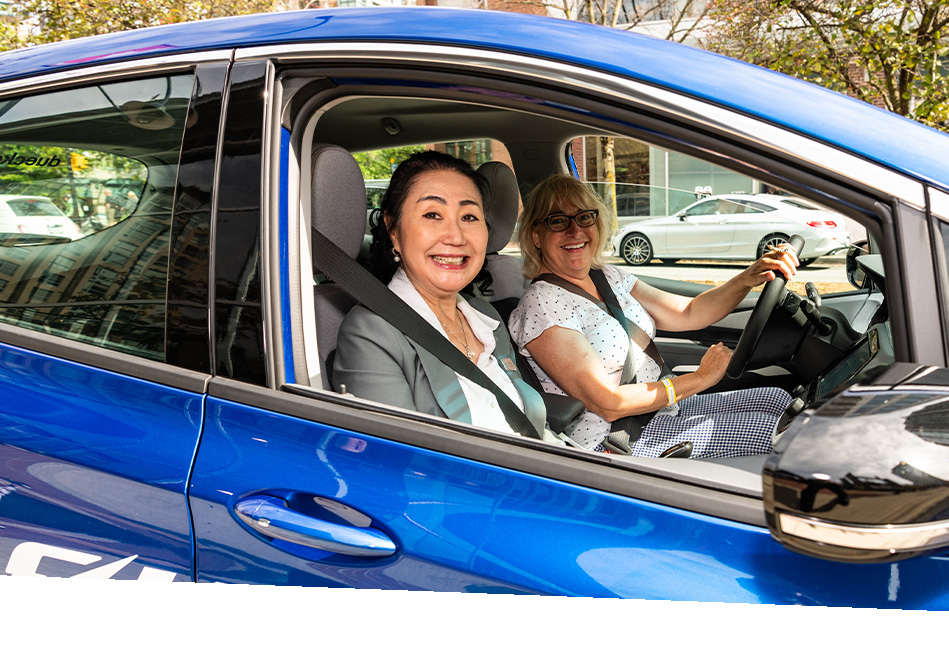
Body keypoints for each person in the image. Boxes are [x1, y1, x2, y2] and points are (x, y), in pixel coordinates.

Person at [508, 174, 798, 459]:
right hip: (616, 439)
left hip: (659, 410)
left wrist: (748, 278)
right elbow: (607, 403)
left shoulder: (607, 276)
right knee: (779, 435)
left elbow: (690, 313)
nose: (576, 231)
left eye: (585, 217)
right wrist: (698, 379)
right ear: (536, 235)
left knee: (779, 400)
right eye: (558, 221)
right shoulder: (542, 303)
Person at [332, 151, 552, 440]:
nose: (456, 236)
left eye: (469, 216)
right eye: (433, 215)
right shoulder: (370, 333)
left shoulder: (485, 318)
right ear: (393, 229)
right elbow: (401, 465)